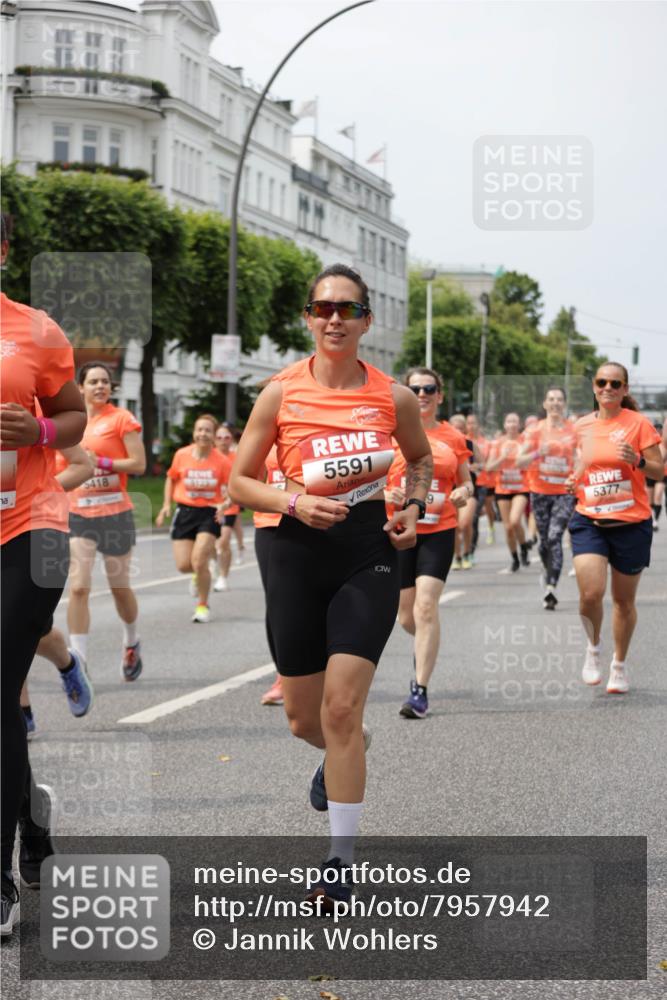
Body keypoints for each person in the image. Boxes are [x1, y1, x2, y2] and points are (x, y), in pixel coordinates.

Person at [229, 263, 432, 909]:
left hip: (365, 552)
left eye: (347, 309)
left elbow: (420, 461)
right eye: (323, 308)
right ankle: (346, 748)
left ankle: (339, 862)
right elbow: (241, 480)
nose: (334, 319)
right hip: (291, 549)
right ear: (308, 319)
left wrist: (412, 509)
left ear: (366, 320)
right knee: (302, 719)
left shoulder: (393, 397)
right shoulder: (279, 393)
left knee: (341, 709)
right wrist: (293, 503)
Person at [1, 213, 87, 936]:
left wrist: (40, 433)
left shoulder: (36, 330)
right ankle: (29, 809)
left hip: (34, 527)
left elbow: (73, 417)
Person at [567, 363, 662, 693]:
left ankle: (618, 663)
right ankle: (593, 649)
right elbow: (582, 462)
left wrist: (635, 460)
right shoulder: (581, 426)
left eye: (615, 383)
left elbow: (660, 472)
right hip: (589, 519)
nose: (607, 387)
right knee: (590, 594)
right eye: (601, 382)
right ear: (594, 387)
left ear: (625, 389)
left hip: (631, 523)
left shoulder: (639, 425)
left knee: (623, 601)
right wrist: (574, 478)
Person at [388, 368, 472, 718]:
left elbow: (467, 483)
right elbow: (369, 480)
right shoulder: (389, 433)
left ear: (439, 395)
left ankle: (419, 691)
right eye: (415, 388)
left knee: (425, 607)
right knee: (406, 615)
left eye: (429, 389)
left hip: (439, 530)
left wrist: (462, 493)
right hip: (397, 529)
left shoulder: (454, 437)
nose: (421, 394)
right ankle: (427, 639)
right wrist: (386, 494)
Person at [66, 362, 146, 681]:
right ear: (80, 387)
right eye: (93, 382)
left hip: (115, 514)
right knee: (79, 586)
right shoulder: (72, 424)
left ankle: (131, 641)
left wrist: (100, 462)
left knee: (119, 587)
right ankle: (78, 662)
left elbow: (138, 464)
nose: (100, 386)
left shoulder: (122, 418)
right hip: (79, 513)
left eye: (105, 382)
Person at [20, 442, 95, 736]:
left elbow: (82, 465)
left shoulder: (38, 404)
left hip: (29, 528)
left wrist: (37, 495)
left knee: (24, 626)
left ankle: (67, 662)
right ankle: (21, 711)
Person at [156, 414, 228, 622]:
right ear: (194, 433)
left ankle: (202, 606)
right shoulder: (182, 455)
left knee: (198, 560)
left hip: (209, 512)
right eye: (199, 430)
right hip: (185, 511)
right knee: (184, 565)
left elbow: (232, 488)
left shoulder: (222, 461)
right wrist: (166, 505)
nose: (203, 434)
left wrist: (225, 504)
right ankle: (199, 572)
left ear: (214, 436)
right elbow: (171, 478)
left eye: (207, 430)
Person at [518, 387, 577, 609]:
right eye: (551, 399)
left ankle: (551, 587)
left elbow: (580, 460)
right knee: (544, 542)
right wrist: (537, 453)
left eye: (559, 399)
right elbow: (519, 462)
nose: (555, 403)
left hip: (564, 493)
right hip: (540, 492)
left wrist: (578, 480)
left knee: (554, 537)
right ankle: (547, 570)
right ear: (545, 404)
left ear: (564, 404)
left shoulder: (573, 431)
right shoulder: (534, 431)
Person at [254, 444, 286, 706]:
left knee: (310, 599)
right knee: (276, 601)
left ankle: (316, 672)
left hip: (306, 521)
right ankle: (283, 675)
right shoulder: (266, 435)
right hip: (268, 523)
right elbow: (249, 479)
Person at [486, 413, 531, 571]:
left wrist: (523, 460)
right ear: (504, 425)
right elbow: (489, 468)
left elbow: (532, 463)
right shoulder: (498, 443)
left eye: (515, 421)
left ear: (519, 425)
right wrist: (502, 458)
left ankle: (524, 546)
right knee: (508, 527)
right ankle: (515, 558)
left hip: (521, 488)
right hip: (502, 488)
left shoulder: (525, 442)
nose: (512, 424)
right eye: (509, 421)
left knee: (514, 520)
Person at [212, 423, 240, 591]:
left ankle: (223, 577)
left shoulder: (236, 458)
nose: (223, 441)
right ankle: (210, 566)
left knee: (223, 542)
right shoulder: (208, 456)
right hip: (209, 507)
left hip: (229, 505)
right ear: (214, 440)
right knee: (210, 545)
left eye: (227, 438)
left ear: (232, 440)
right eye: (219, 438)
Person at [466, 413, 496, 547]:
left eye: (473, 423)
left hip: (485, 481)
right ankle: (470, 544)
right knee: (474, 514)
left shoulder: (486, 443)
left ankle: (491, 528)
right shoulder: (463, 440)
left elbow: (488, 464)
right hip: (468, 482)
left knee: (488, 508)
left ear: (478, 425)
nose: (471, 426)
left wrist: (477, 466)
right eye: (469, 423)